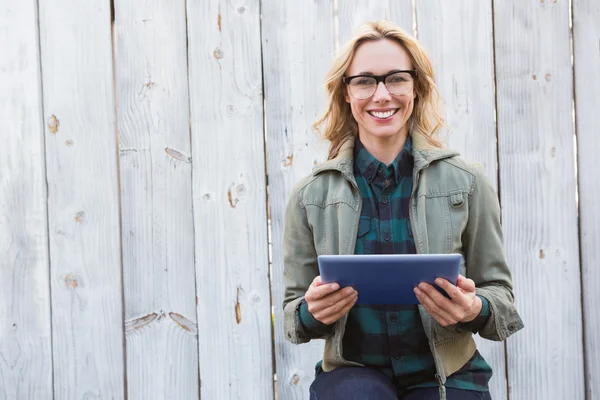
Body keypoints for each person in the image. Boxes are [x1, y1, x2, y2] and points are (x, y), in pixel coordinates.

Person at [282, 20, 524, 400]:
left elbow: (501, 298)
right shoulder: (309, 196)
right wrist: (312, 310)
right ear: (346, 93)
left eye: (396, 78)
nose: (381, 94)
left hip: (449, 375)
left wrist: (472, 308)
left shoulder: (468, 182)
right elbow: (293, 316)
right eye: (364, 81)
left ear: (416, 87)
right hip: (353, 374)